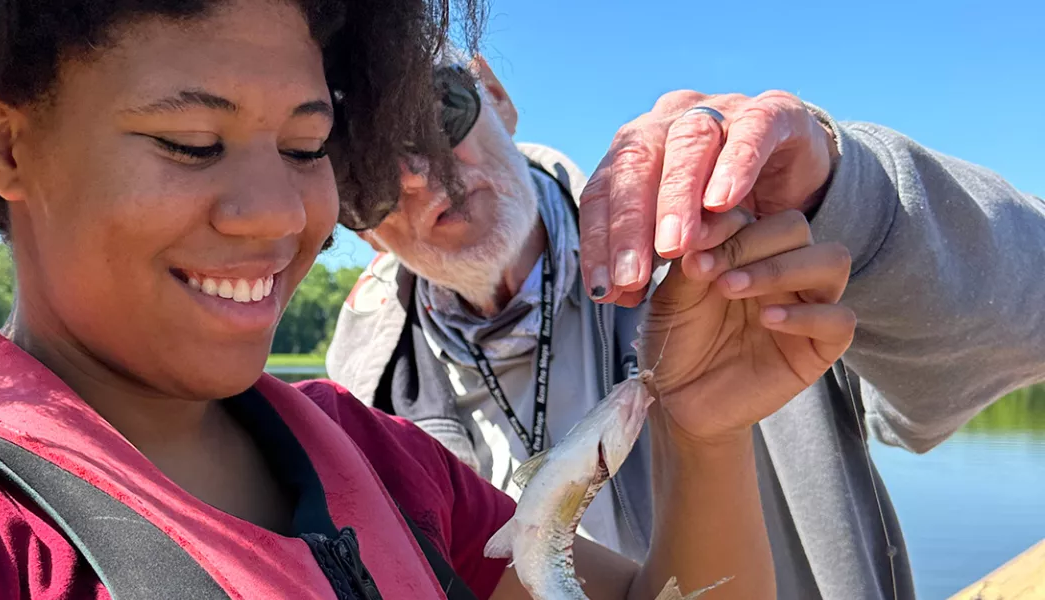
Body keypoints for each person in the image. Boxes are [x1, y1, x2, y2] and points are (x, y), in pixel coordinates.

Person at [0, 1, 858, 599]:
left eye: (306, 146)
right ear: (6, 149)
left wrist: (704, 434)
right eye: (192, 142)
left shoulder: (390, 465)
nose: (274, 213)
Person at [326, 54, 1045, 600]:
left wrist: (850, 203)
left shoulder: (731, 240)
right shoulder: (353, 409)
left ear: (497, 95)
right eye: (360, 172)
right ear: (349, 220)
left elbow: (1028, 324)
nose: (417, 175)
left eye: (433, 112)